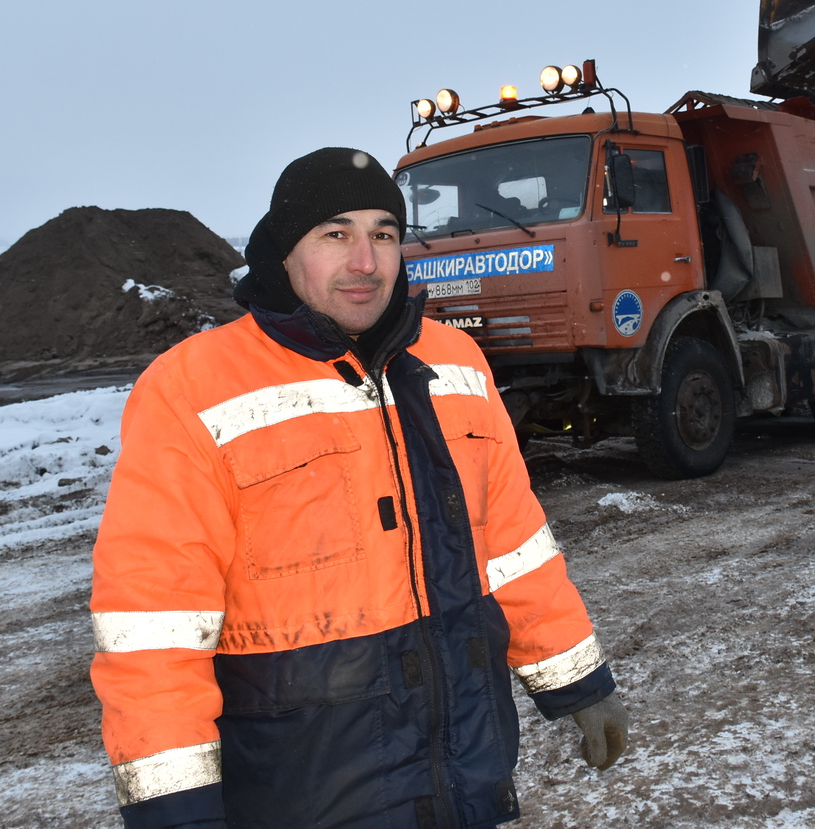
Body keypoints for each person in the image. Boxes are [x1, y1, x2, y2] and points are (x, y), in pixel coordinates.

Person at [89, 147, 629, 829]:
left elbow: (515, 547)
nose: (365, 262)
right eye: (335, 234)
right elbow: (152, 622)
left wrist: (577, 681)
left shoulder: (453, 360)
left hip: (466, 767)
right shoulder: (191, 387)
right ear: (285, 252)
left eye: (383, 234)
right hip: (306, 785)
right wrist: (174, 807)